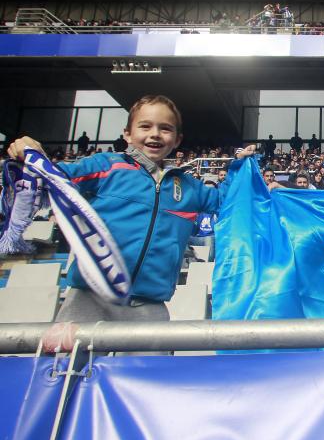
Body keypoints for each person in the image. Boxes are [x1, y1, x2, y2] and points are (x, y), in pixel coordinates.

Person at [6, 95, 255, 335]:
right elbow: (54, 178)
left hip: (150, 306)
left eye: (165, 128)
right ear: (127, 133)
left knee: (145, 376)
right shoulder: (106, 165)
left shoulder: (189, 186)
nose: (155, 134)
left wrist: (241, 168)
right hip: (87, 300)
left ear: (177, 140)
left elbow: (230, 202)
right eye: (145, 126)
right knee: (67, 372)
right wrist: (30, 155)